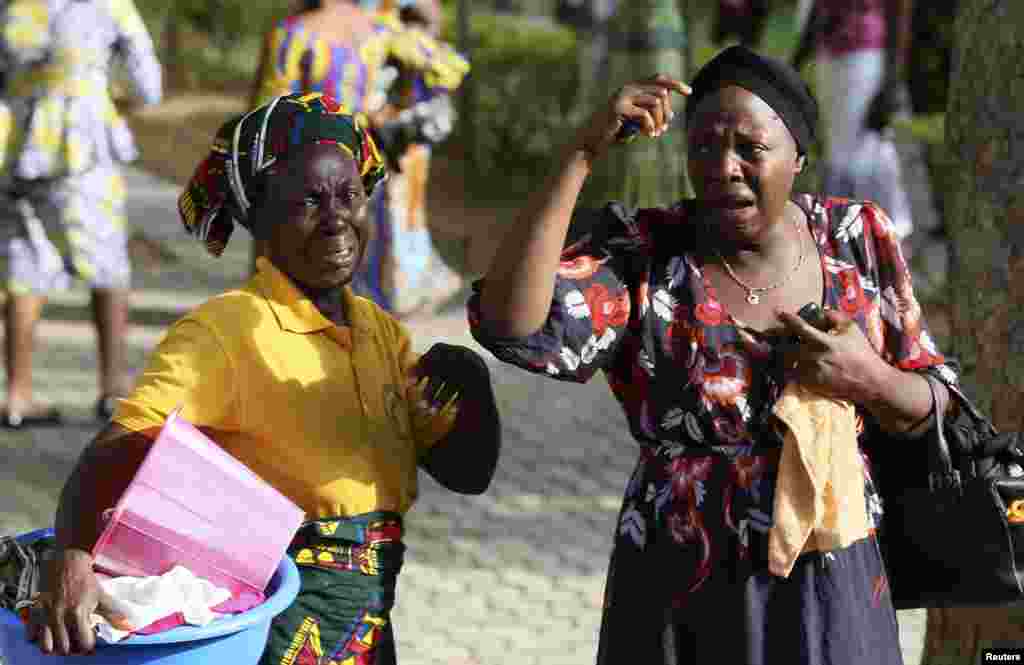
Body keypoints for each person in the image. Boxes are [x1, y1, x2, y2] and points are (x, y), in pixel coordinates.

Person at [469, 45, 959, 664]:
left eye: (750, 149)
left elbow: (936, 401)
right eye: (703, 147)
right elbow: (513, 323)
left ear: (800, 157)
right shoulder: (645, 252)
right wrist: (582, 152)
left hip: (830, 581)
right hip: (678, 584)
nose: (723, 167)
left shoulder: (854, 237)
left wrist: (869, 378)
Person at [25, 92, 501, 663]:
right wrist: (73, 555)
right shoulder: (228, 329)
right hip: (273, 618)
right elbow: (119, 448)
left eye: (349, 194)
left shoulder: (379, 331)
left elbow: (466, 473)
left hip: (369, 615)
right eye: (309, 200)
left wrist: (472, 389)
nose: (336, 218)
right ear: (260, 217)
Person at [0, 0, 163, 427]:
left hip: (14, 142)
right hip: (82, 145)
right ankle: (112, 387)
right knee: (108, 264)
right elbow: (149, 85)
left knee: (25, 260)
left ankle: (17, 394)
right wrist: (104, 95)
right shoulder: (109, 5)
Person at [251, 0, 469, 317]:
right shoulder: (381, 30)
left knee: (302, 280)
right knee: (360, 267)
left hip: (307, 174)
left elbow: (269, 113)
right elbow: (449, 68)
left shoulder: (294, 34)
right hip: (363, 168)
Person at [791, 0, 916, 239]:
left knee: (865, 151)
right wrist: (796, 61)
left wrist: (892, 81)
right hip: (829, 57)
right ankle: (849, 235)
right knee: (838, 154)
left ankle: (887, 234)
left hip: (866, 56)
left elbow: (899, 11)